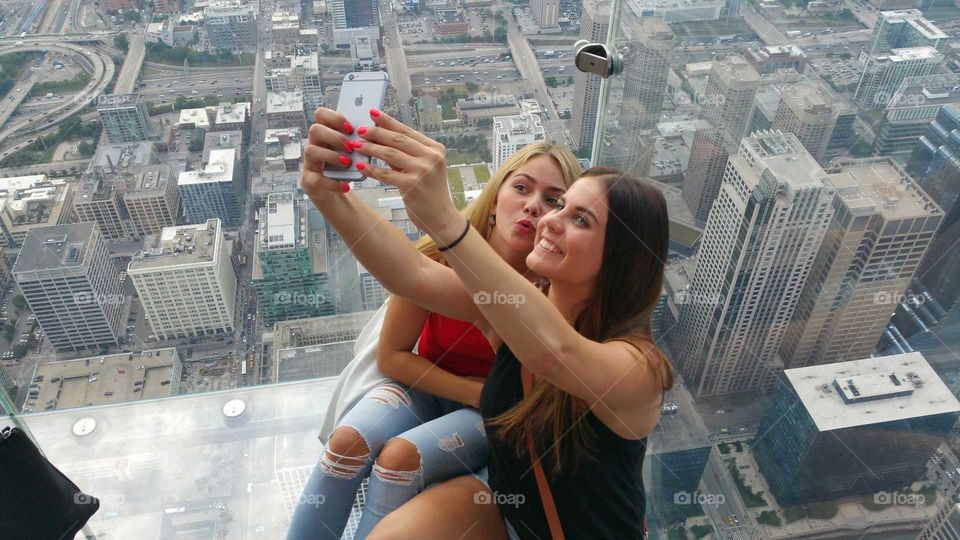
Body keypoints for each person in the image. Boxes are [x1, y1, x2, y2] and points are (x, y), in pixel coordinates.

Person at [301, 107, 673, 540]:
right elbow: (413, 274)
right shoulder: (518, 311)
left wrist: (445, 220)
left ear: (620, 260)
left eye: (579, 219)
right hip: (508, 512)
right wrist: (330, 195)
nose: (549, 219)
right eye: (563, 206)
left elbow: (556, 353)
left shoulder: (639, 370)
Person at [288, 143, 580, 540]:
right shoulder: (438, 261)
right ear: (494, 200)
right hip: (429, 390)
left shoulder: (550, 298)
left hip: (487, 417)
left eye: (552, 201)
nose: (533, 206)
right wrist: (477, 392)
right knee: (346, 445)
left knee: (399, 461)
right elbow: (392, 356)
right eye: (522, 189)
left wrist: (484, 401)